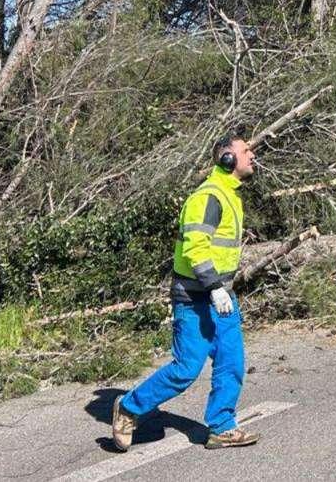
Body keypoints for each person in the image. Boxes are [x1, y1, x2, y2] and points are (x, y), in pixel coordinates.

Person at [112, 134, 261, 451]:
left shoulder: (230, 195)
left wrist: (223, 292)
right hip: (195, 299)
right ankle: (128, 408)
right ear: (227, 158)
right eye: (245, 150)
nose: (252, 153)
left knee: (231, 363)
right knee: (186, 370)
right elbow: (195, 248)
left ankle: (221, 426)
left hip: (221, 298)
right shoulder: (207, 197)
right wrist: (214, 288)